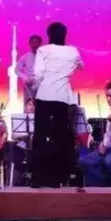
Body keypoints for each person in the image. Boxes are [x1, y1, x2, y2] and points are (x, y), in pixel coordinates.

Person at [32, 22, 83, 187]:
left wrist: (36, 87)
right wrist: (67, 72)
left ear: (48, 35)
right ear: (65, 34)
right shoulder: (73, 51)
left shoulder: (43, 50)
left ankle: (38, 178)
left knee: (40, 137)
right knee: (60, 138)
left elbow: (38, 74)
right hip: (62, 98)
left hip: (44, 96)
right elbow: (81, 66)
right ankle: (58, 178)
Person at [10, 99, 35, 185]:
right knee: (17, 151)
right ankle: (20, 180)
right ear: (25, 107)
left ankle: (33, 178)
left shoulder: (39, 120)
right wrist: (23, 136)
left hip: (34, 146)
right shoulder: (19, 119)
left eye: (33, 105)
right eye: (29, 104)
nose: (31, 107)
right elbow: (13, 136)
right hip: (21, 146)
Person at [16, 34, 42, 103]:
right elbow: (16, 69)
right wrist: (25, 78)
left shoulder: (44, 57)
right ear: (30, 44)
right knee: (29, 105)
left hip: (42, 87)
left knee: (42, 106)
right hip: (29, 87)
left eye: (37, 42)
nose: (35, 44)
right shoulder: (26, 57)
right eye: (33, 42)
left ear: (40, 44)